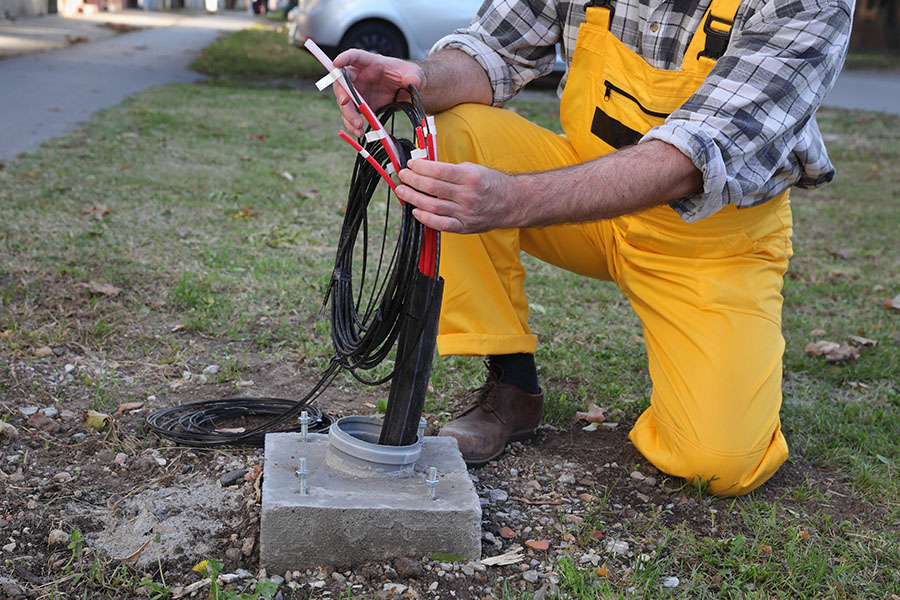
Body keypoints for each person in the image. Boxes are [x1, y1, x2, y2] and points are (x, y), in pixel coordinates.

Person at [330, 0, 853, 496]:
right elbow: (493, 48)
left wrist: (514, 199)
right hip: (584, 200)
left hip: (712, 239)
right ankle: (513, 387)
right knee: (448, 132)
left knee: (717, 463)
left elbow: (699, 152)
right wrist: (417, 79)